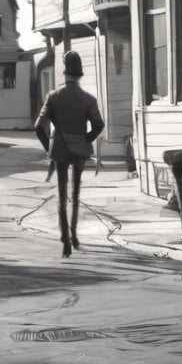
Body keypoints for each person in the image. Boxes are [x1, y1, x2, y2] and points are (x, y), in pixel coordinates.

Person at [35, 50, 105, 257]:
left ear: (65, 74)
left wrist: (48, 147)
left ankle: (65, 240)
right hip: (79, 148)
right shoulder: (88, 99)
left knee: (62, 195)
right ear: (80, 74)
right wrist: (85, 139)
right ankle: (74, 236)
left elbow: (38, 126)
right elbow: (99, 125)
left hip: (60, 148)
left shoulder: (53, 96)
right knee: (75, 195)